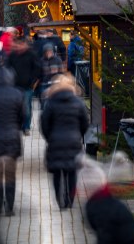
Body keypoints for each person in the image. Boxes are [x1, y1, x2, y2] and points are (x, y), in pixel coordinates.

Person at [41, 73, 89, 210]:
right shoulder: (78, 103)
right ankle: (70, 200)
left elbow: (44, 123)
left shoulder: (50, 103)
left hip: (55, 141)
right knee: (72, 172)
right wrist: (78, 135)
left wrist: (49, 137)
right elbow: (84, 123)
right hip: (73, 141)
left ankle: (60, 200)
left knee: (57, 173)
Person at [0, 67, 24, 216]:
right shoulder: (18, 94)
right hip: (12, 137)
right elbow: (23, 115)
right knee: (10, 174)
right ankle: (10, 208)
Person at [6, 37, 41, 135]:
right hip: (14, 86)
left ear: (25, 45)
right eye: (18, 44)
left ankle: (26, 127)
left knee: (26, 107)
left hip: (27, 86)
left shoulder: (31, 55)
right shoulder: (12, 55)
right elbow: (7, 68)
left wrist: (33, 81)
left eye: (21, 44)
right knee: (16, 107)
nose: (19, 47)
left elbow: (37, 68)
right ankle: (18, 125)